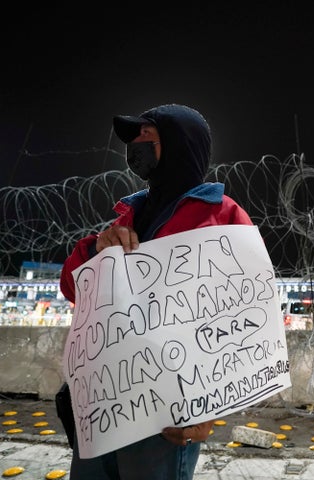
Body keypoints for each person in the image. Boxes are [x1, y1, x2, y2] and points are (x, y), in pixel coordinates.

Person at [59, 103, 254, 480]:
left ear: (181, 143)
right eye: (133, 139)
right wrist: (95, 249)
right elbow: (72, 289)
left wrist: (210, 410)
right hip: (103, 403)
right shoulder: (126, 218)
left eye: (147, 136)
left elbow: (244, 319)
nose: (135, 146)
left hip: (167, 411)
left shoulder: (223, 216)